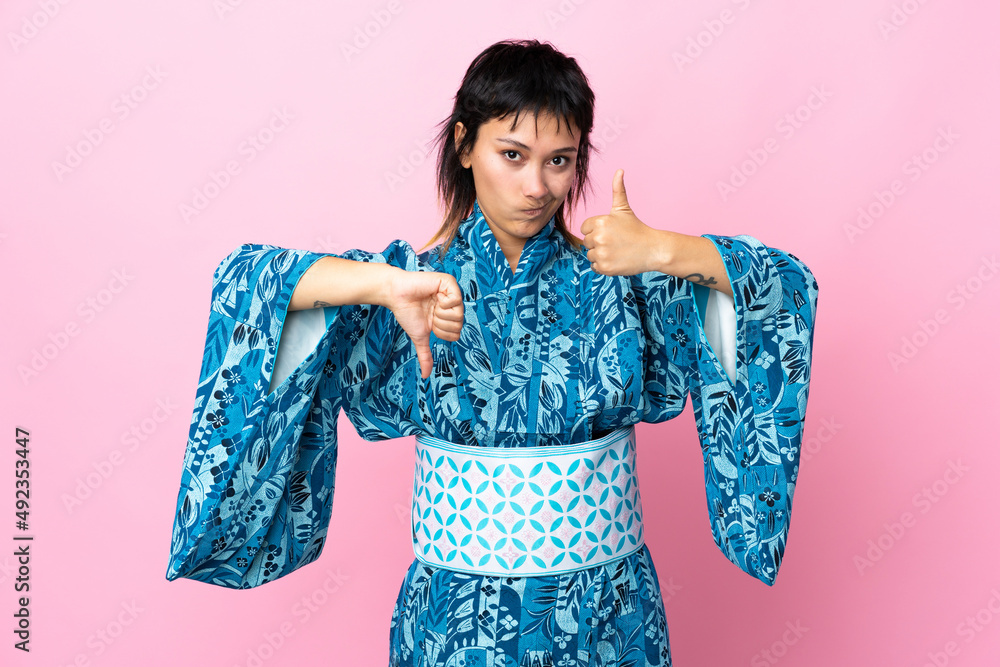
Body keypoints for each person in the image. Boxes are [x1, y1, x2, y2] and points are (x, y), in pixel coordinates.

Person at [165, 39, 819, 667]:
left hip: (608, 618)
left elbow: (785, 289)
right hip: (451, 622)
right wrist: (384, 285)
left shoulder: (626, 283)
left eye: (559, 160)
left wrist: (664, 250)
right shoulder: (412, 285)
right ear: (464, 143)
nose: (536, 185)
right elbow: (249, 282)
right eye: (512, 154)